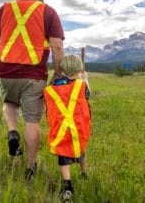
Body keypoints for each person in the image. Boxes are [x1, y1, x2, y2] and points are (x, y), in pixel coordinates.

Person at [0, 0, 65, 180]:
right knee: (32, 120)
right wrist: (59, 74)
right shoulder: (48, 11)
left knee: (9, 103)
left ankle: (12, 132)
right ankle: (30, 168)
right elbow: (57, 47)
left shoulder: (6, 8)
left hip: (7, 72)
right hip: (34, 75)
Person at [43, 54, 91, 202]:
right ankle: (84, 174)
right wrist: (86, 80)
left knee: (63, 159)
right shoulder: (82, 86)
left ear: (62, 70)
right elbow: (88, 95)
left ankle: (68, 187)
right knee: (81, 153)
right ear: (79, 71)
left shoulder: (51, 89)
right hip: (78, 130)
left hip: (61, 131)